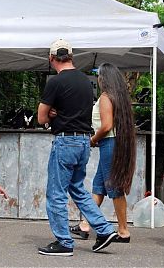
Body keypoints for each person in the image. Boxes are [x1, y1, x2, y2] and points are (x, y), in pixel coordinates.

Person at [37, 39, 117, 257]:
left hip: (65, 142)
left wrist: (51, 114)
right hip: (84, 141)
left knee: (56, 194)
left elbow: (40, 116)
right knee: (78, 189)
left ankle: (64, 242)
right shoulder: (86, 81)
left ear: (52, 59)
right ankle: (104, 229)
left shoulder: (55, 82)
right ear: (71, 57)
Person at [70, 62, 136, 243]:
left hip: (108, 144)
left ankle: (123, 231)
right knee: (98, 187)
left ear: (104, 78)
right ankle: (84, 225)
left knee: (114, 187)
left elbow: (107, 126)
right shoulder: (119, 97)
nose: (98, 79)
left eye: (99, 75)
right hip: (113, 144)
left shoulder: (106, 97)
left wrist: (93, 139)